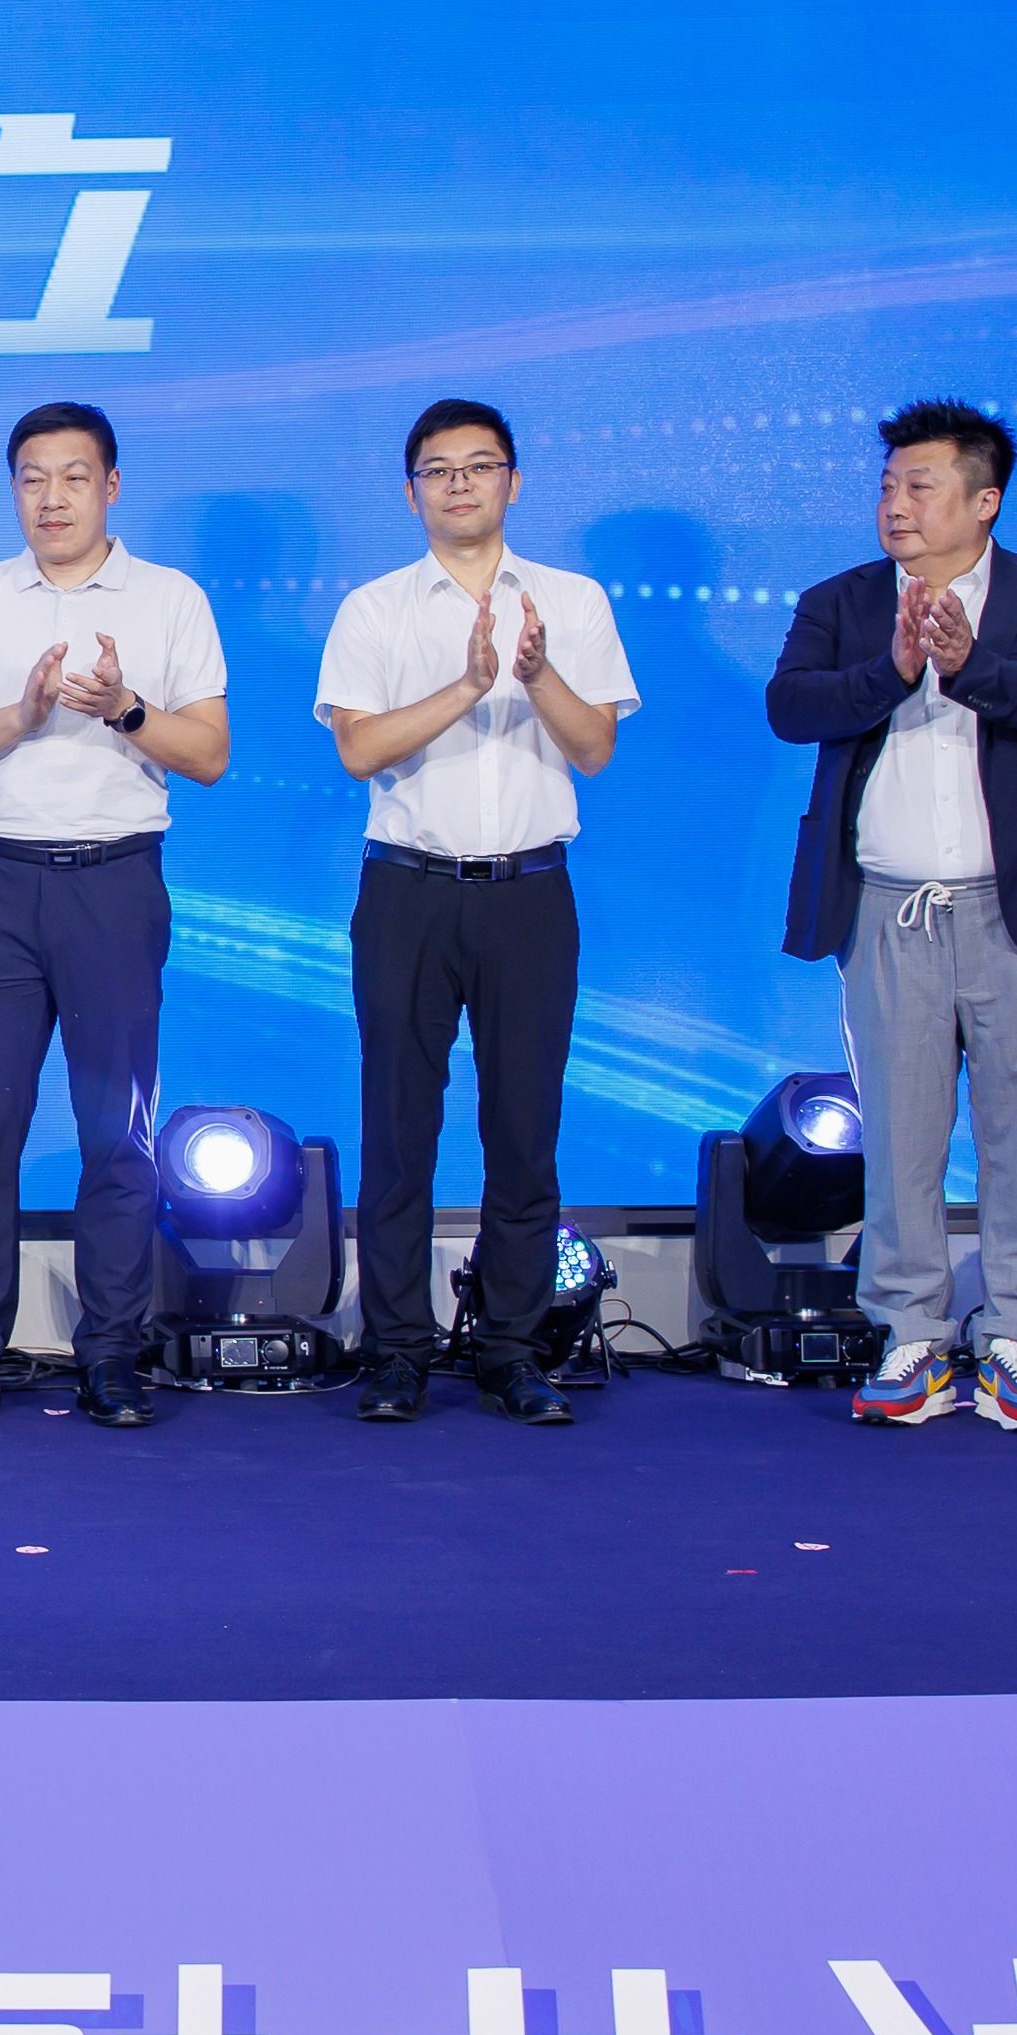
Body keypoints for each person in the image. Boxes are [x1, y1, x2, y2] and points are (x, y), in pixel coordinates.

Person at [765, 398, 1017, 1434]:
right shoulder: (839, 601)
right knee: (899, 1137)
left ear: (984, 499)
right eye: (887, 485)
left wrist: (969, 668)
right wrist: (893, 670)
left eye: (919, 485)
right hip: (886, 912)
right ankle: (911, 1334)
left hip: (1015, 910)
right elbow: (791, 706)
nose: (895, 504)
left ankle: (1016, 1336)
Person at [0, 401, 232, 1425]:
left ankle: (112, 1351)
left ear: (111, 487)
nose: (51, 498)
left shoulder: (169, 599)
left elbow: (208, 754)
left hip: (113, 886)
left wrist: (124, 709)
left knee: (115, 1133)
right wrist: (21, 715)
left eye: (73, 477)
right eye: (32, 478)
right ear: (13, 490)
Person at [312, 398, 637, 1427]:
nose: (459, 483)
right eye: (438, 469)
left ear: (514, 481)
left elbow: (594, 747)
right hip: (406, 892)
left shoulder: (570, 600)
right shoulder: (375, 608)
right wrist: (466, 687)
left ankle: (509, 1350)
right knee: (398, 1130)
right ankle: (396, 1351)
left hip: (529, 895)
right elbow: (358, 749)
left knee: (524, 1131)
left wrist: (534, 676)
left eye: (479, 465)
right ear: (410, 493)